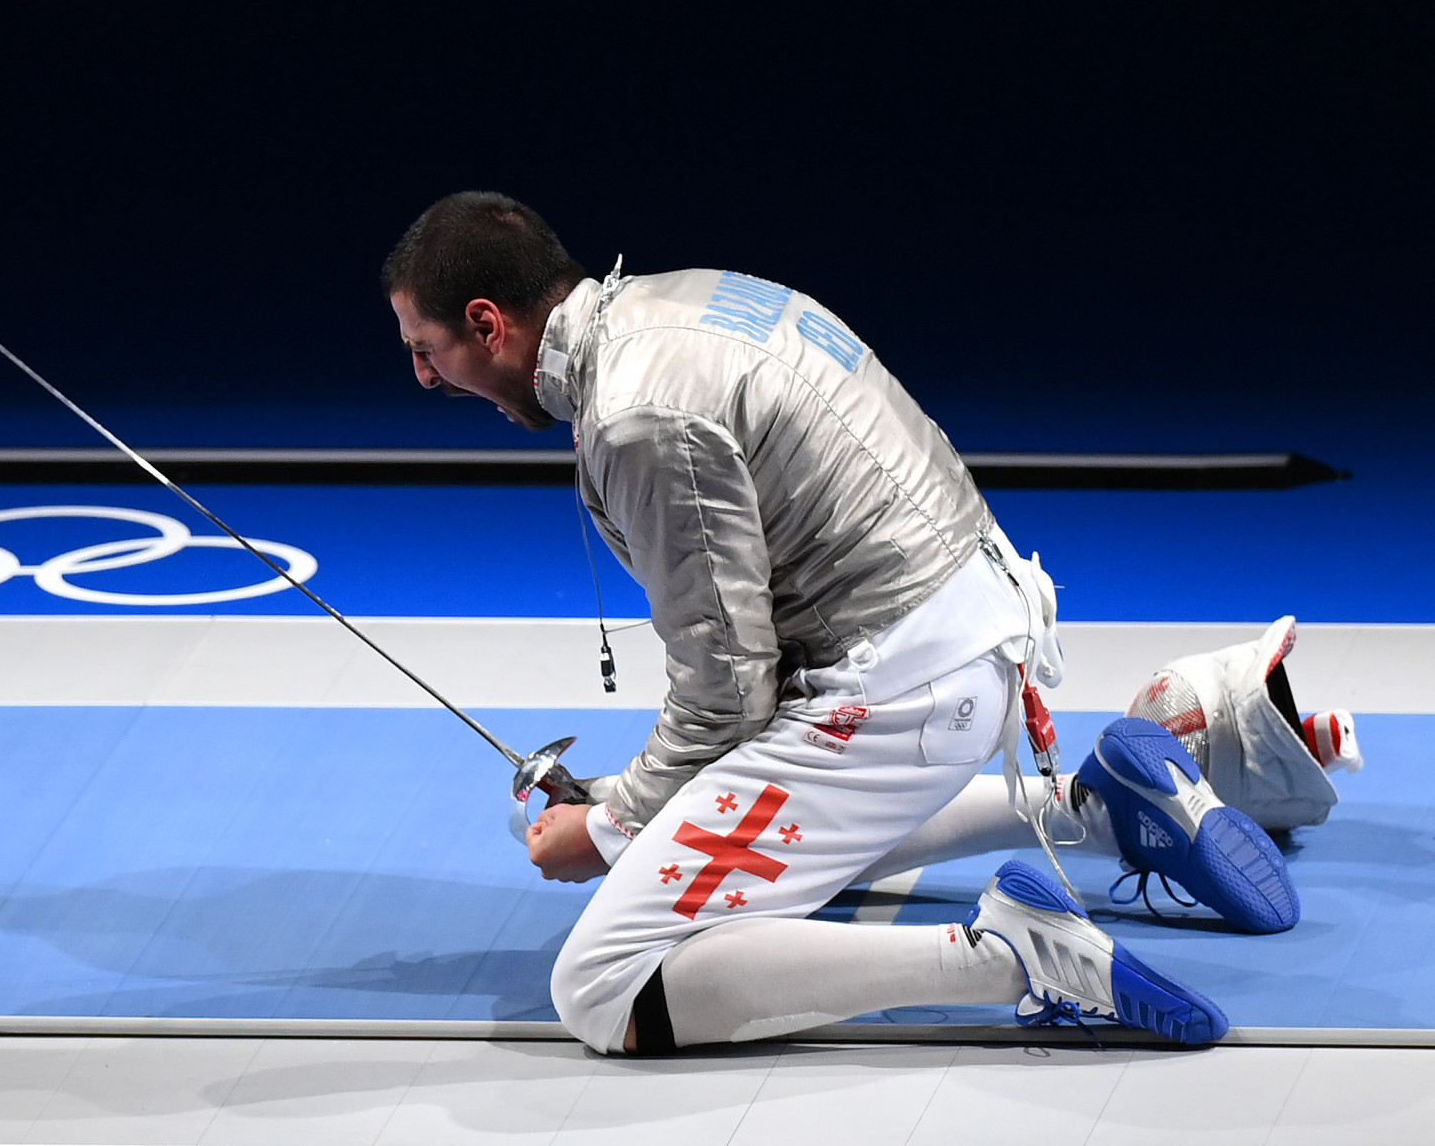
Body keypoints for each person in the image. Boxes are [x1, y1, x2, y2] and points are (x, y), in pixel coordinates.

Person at [382, 191, 1307, 1054]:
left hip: (900, 694)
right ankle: (1092, 806)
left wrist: (615, 824)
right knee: (772, 853)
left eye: (426, 350)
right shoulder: (679, 299)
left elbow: (727, 695)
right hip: (974, 632)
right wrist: (631, 799)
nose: (423, 378)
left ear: (487, 325)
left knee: (603, 989)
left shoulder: (635, 416)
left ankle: (1016, 954)